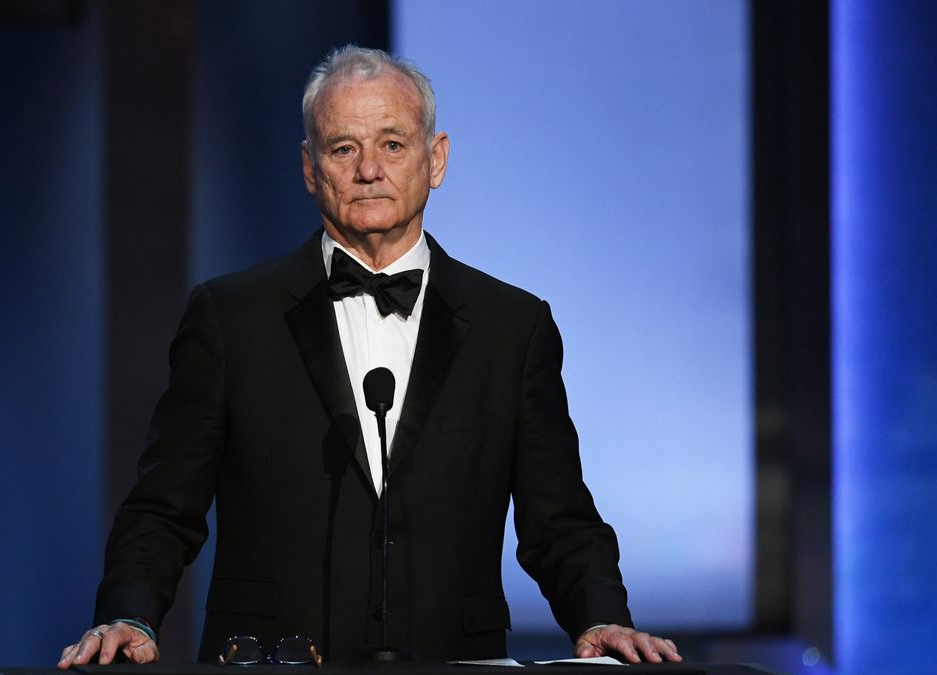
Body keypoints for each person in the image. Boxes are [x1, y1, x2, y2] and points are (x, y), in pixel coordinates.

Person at [59, 45, 681, 668]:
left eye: (391, 144)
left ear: (435, 160)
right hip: (269, 661)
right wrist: (128, 613)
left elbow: (561, 519)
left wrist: (601, 616)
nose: (368, 171)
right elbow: (164, 506)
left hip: (452, 660)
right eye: (342, 148)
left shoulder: (511, 328)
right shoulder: (231, 318)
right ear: (310, 168)